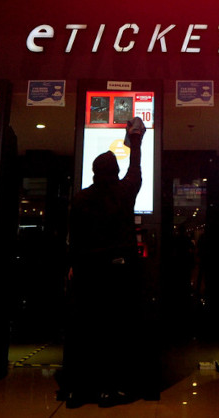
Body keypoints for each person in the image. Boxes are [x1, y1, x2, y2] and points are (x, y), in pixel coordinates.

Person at [61, 118, 145, 408]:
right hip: (118, 273)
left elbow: (72, 238)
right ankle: (109, 391)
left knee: (83, 332)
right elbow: (136, 169)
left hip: (86, 274)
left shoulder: (80, 199)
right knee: (114, 333)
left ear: (94, 172)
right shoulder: (124, 193)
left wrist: (72, 267)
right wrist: (135, 139)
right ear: (116, 172)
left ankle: (76, 391)